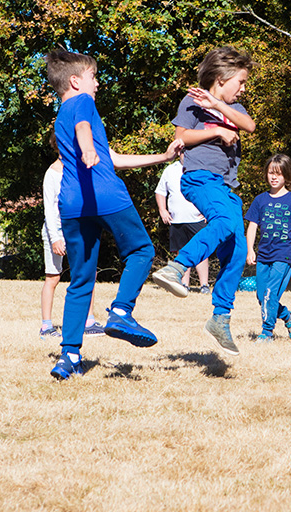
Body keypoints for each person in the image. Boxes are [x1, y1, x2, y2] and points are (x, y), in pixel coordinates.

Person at [46, 49, 183, 380]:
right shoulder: (81, 104)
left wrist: (162, 157)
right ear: (76, 81)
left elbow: (115, 158)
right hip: (105, 194)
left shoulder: (59, 116)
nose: (98, 84)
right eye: (94, 77)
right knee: (142, 250)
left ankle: (69, 357)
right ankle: (121, 312)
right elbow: (84, 131)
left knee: (80, 279)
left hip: (73, 204)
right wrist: (89, 148)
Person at [150, 47, 256, 357]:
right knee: (223, 223)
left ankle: (220, 318)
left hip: (225, 186)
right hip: (199, 178)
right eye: (241, 81)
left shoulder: (234, 107)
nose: (244, 88)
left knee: (237, 248)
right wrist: (218, 130)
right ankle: (177, 267)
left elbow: (248, 126)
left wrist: (219, 106)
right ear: (222, 79)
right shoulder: (192, 102)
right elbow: (180, 138)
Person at [245, 154, 291, 340]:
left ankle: (267, 332)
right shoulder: (260, 200)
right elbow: (252, 226)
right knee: (262, 298)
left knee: (270, 294)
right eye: (270, 172)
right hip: (263, 256)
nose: (274, 177)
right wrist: (250, 249)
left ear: (287, 176)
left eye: (278, 173)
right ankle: (288, 316)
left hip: (283, 256)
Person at [39, 134, 101, 339]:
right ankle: (46, 326)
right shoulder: (52, 174)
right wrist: (56, 237)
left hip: (78, 229)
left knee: (87, 273)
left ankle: (89, 321)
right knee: (53, 277)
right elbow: (49, 210)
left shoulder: (77, 170)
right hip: (55, 231)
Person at [155, 158, 211, 293]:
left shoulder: (201, 168)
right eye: (183, 151)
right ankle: (184, 284)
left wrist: (209, 211)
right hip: (177, 220)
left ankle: (204, 285)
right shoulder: (170, 170)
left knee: (201, 252)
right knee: (181, 251)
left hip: (197, 219)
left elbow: (210, 191)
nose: (185, 154)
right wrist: (162, 210)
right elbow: (160, 191)